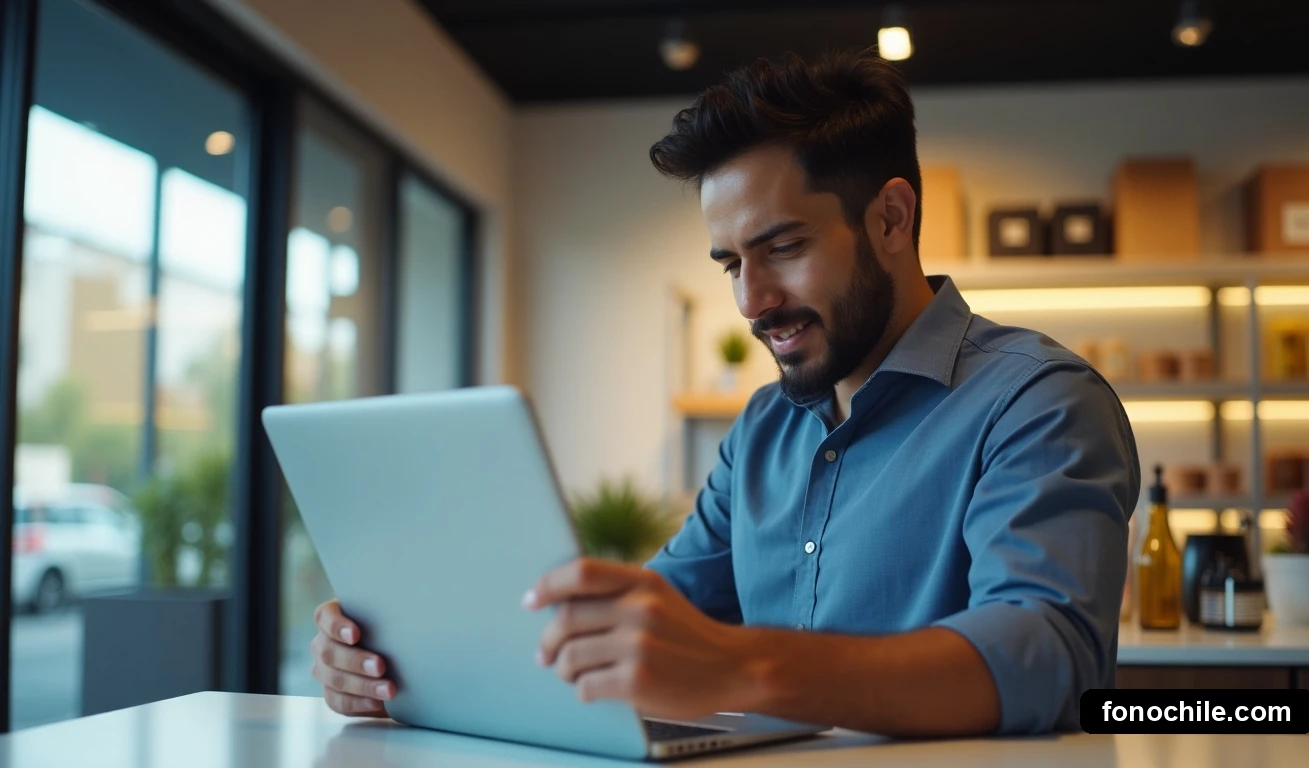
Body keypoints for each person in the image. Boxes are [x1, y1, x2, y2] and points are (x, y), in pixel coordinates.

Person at [308, 48, 1140, 737]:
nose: (752, 300)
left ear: (891, 220)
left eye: (782, 246)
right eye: (731, 263)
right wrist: (399, 662)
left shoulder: (1038, 401)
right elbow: (649, 621)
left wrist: (747, 665)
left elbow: (1047, 653)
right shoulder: (764, 430)